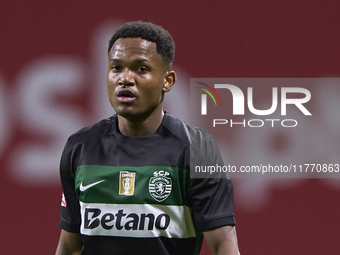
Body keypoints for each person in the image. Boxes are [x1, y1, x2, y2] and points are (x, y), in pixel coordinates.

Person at [55, 21, 240, 255]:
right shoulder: (80, 147)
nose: (125, 78)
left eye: (141, 69)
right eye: (116, 68)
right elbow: (70, 247)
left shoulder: (197, 149)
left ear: (168, 81)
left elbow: (223, 245)